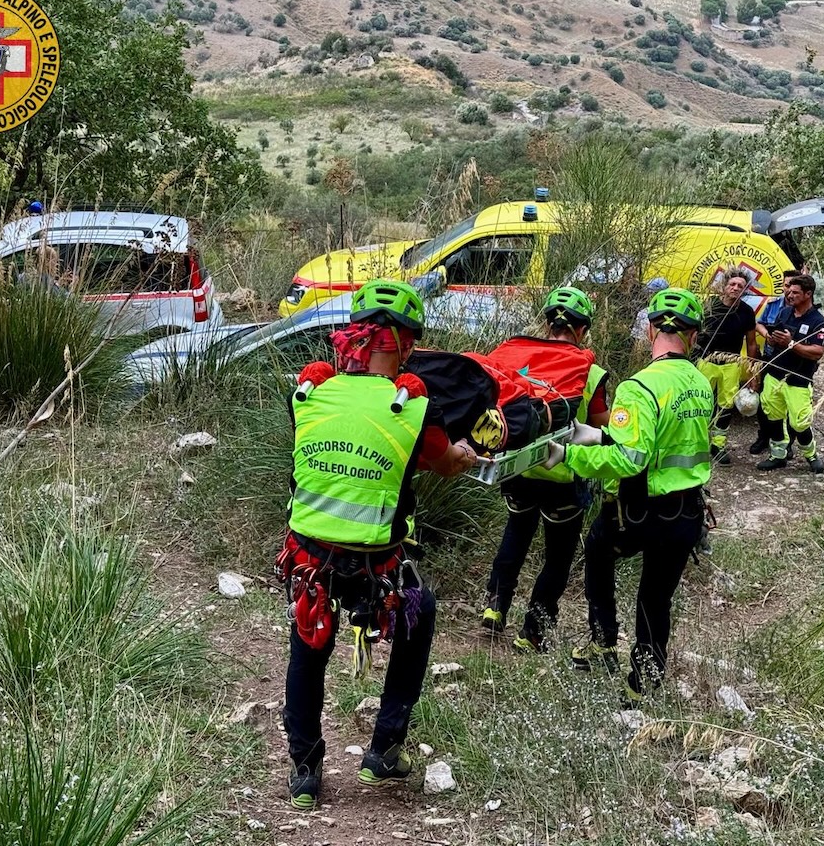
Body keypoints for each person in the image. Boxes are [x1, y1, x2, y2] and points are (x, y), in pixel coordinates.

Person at [277, 280, 478, 810]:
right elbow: (446, 463)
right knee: (421, 613)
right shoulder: (410, 406)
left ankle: (304, 769)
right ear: (406, 344)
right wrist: (470, 453)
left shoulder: (309, 392)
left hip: (309, 557)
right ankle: (385, 748)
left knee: (309, 648)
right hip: (376, 563)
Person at [544, 287, 714, 702]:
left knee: (598, 554)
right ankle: (645, 684)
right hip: (687, 511)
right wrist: (601, 433)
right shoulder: (700, 382)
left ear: (651, 328)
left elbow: (630, 460)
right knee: (656, 598)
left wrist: (570, 455)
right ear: (692, 337)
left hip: (640, 511)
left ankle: (603, 642)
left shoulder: (640, 387)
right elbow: (658, 442)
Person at [480, 287, 610, 652]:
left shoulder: (520, 359)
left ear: (547, 323)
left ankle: (495, 607)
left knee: (516, 534)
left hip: (518, 470)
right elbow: (600, 427)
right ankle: (532, 632)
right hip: (562, 475)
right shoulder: (592, 371)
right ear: (583, 330)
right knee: (557, 556)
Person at [755, 274, 824, 474]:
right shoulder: (785, 313)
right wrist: (771, 340)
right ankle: (778, 455)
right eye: (789, 291)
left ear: (808, 294)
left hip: (798, 379)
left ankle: (811, 455)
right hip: (774, 374)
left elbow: (817, 352)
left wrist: (790, 343)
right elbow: (774, 337)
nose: (790, 295)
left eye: (795, 292)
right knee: (773, 416)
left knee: (799, 422)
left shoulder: (818, 322)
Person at [693, 267, 759, 465]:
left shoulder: (747, 312)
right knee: (701, 403)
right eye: (732, 284)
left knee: (726, 406)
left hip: (731, 364)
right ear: (724, 286)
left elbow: (752, 342)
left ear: (745, 289)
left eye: (740, 285)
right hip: (706, 362)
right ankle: (699, 445)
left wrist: (753, 371)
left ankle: (718, 445)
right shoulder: (709, 306)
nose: (735, 288)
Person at [749, 269, 799, 456]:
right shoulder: (773, 304)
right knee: (765, 401)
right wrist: (766, 335)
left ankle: (788, 443)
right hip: (770, 358)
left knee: (789, 403)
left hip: (794, 363)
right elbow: (758, 323)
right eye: (787, 286)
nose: (789, 290)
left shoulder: (804, 310)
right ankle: (764, 437)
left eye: (794, 287)